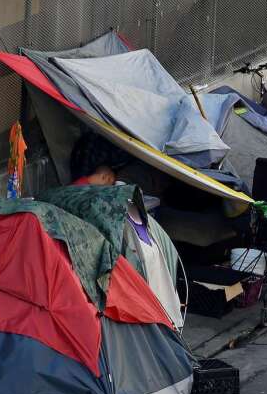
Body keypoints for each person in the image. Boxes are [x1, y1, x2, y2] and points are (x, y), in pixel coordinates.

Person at [68, 133, 184, 328]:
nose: (112, 185)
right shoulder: (100, 199)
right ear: (105, 177)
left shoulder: (72, 188)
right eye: (112, 180)